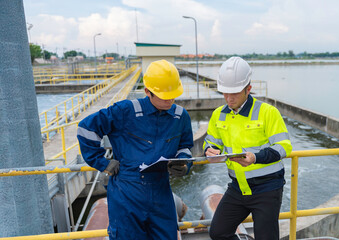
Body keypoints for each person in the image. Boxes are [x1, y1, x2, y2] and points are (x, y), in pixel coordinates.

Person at [77, 59, 194, 240]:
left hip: (161, 193)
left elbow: (185, 146)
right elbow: (86, 129)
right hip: (126, 194)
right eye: (164, 96)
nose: (170, 100)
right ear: (148, 91)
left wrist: (184, 164)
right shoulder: (125, 111)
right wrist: (103, 163)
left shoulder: (180, 116)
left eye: (173, 95)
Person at [204, 56, 293, 240]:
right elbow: (211, 141)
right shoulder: (218, 115)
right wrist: (210, 150)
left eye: (234, 93)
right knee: (218, 232)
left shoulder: (268, 112)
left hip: (267, 188)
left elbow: (284, 147)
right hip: (237, 187)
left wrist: (255, 158)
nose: (229, 98)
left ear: (248, 89)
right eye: (225, 93)